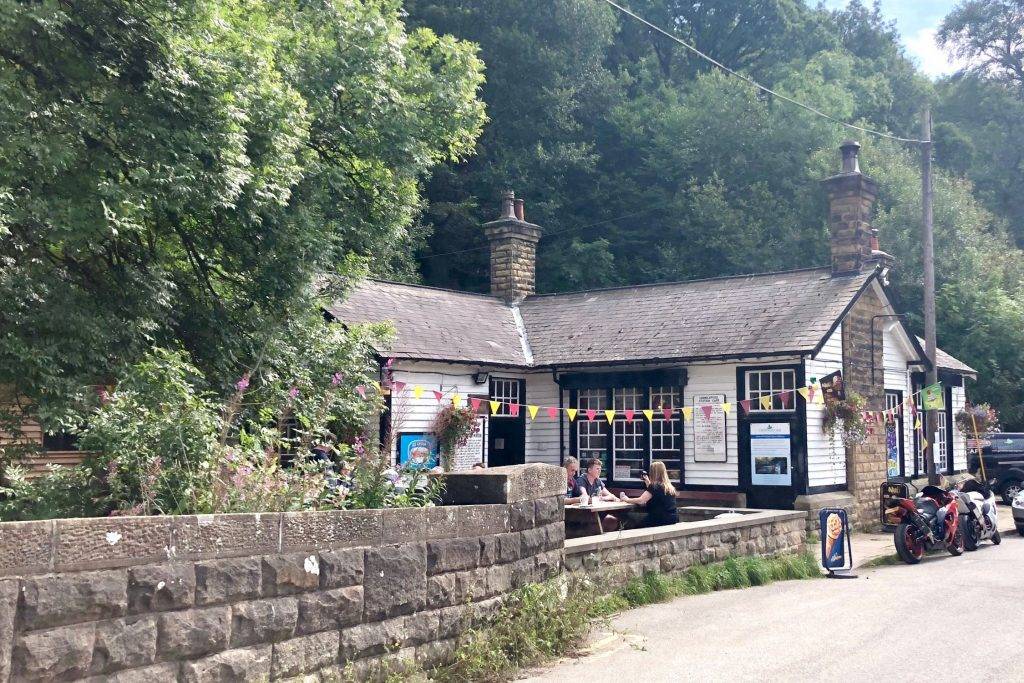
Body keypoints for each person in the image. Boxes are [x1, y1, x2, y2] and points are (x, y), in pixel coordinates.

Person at [619, 461, 678, 528]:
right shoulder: (669, 486)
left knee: (633, 529)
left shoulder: (654, 486)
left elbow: (641, 500)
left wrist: (626, 499)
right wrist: (648, 482)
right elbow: (655, 493)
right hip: (672, 518)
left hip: (659, 519)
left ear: (653, 473)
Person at [579, 457, 619, 531]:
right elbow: (585, 496)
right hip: (583, 513)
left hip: (596, 511)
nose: (600, 471)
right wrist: (597, 499)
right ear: (589, 470)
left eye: (600, 469)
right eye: (597, 469)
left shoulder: (598, 481)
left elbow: (611, 496)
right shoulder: (582, 479)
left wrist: (602, 498)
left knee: (613, 520)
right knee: (606, 521)